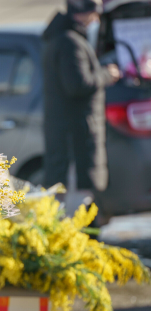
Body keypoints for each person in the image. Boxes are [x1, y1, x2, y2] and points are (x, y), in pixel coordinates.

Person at [42, 0, 120, 199]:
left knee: (72, 199)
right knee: (76, 200)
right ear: (83, 13)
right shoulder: (69, 42)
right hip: (75, 139)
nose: (96, 19)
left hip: (70, 134)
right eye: (94, 13)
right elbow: (77, 84)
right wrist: (106, 75)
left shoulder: (63, 37)